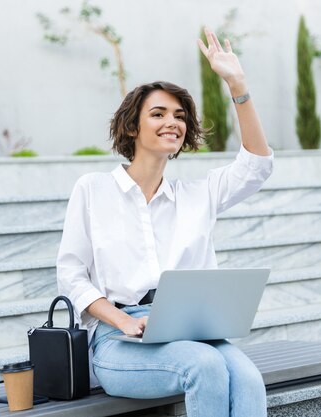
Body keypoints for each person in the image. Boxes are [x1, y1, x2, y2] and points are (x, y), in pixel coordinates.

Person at [57, 27, 273, 417]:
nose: (171, 122)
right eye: (157, 114)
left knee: (247, 378)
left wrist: (237, 85)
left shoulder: (197, 195)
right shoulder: (93, 190)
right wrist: (121, 319)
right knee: (203, 367)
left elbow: (256, 166)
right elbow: (72, 275)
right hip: (118, 339)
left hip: (192, 331)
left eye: (179, 116)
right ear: (132, 126)